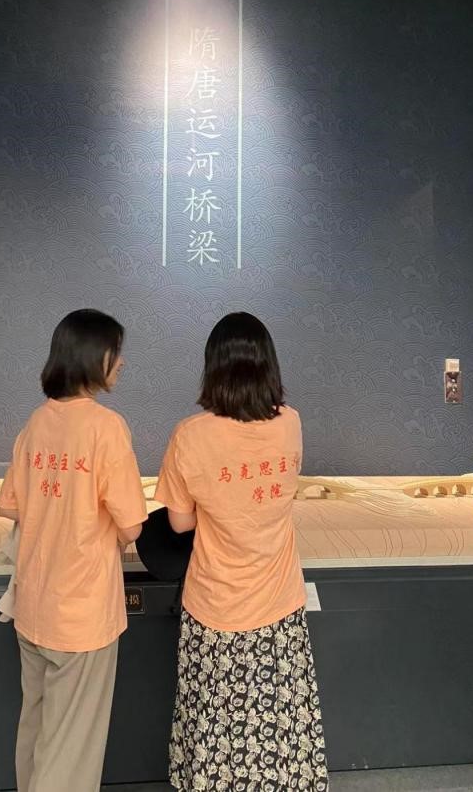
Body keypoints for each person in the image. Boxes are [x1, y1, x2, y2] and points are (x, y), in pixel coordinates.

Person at [156, 313, 329, 792]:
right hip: (280, 604)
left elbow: (180, 523)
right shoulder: (291, 423)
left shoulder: (190, 435)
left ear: (213, 368)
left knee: (216, 728)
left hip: (216, 607)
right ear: (269, 364)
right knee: (279, 729)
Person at [0, 309, 148, 792]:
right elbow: (132, 525)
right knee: (69, 755)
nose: (121, 362)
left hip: (33, 605)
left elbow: (11, 505)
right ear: (93, 356)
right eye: (116, 351)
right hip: (81, 614)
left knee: (37, 732)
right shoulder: (106, 427)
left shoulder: (36, 422)